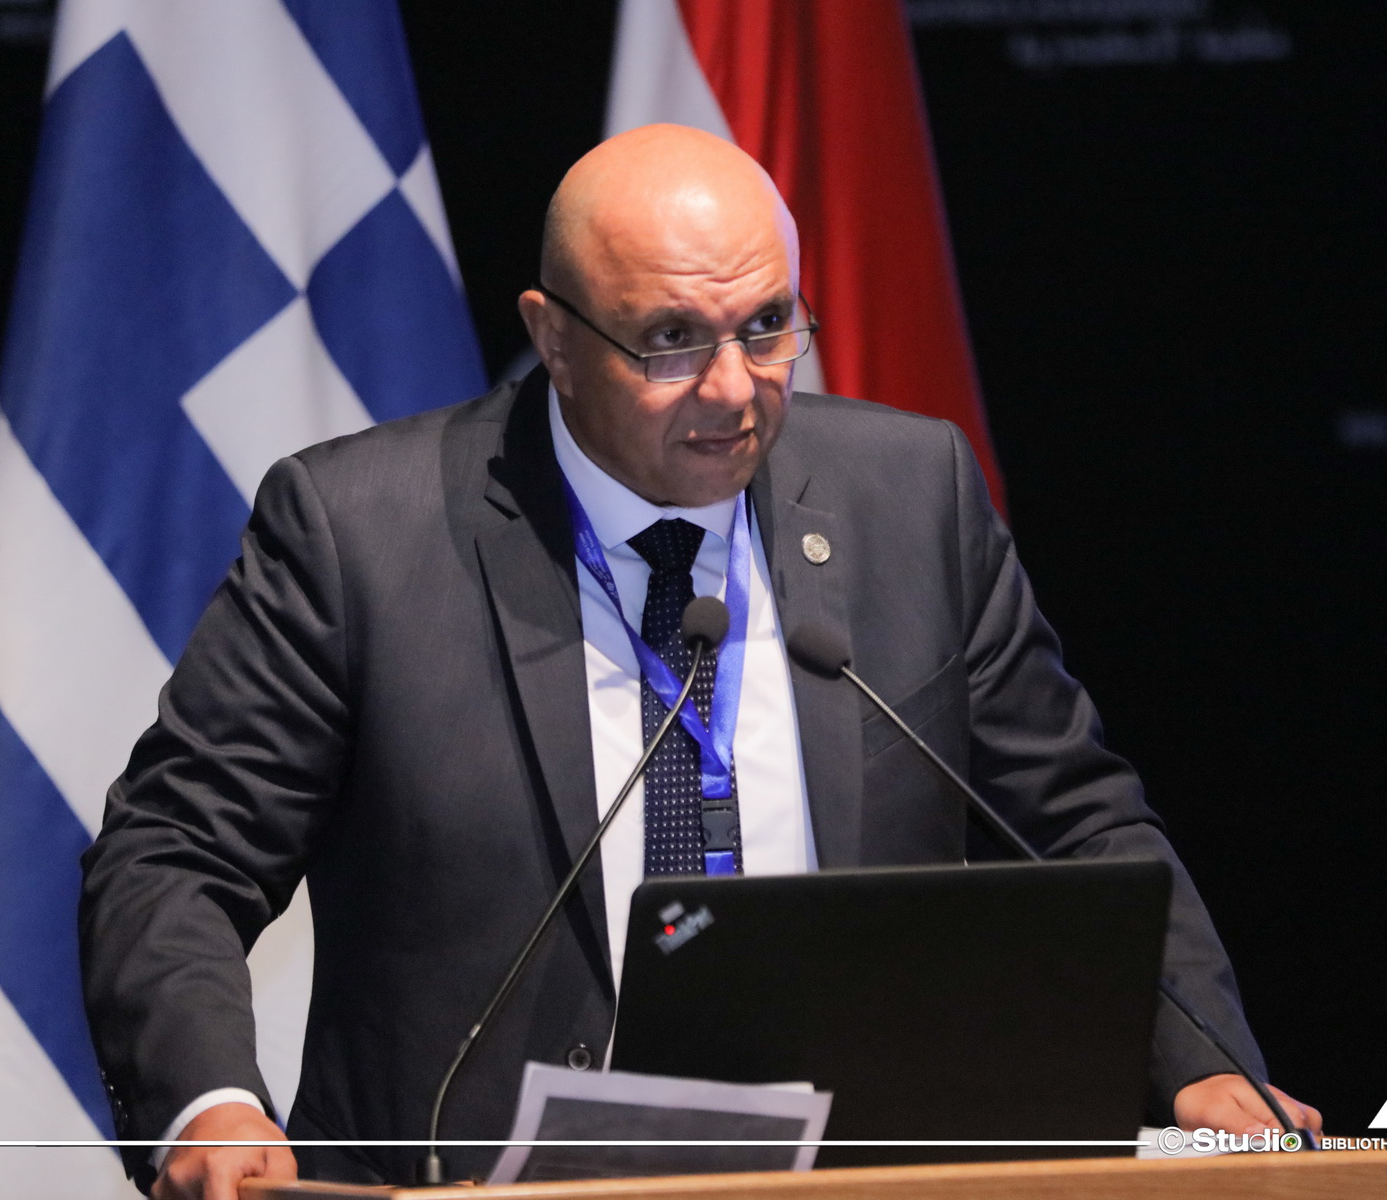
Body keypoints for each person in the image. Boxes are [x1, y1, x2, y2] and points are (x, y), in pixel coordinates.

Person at [79, 124, 1321, 1200]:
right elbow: (175, 851)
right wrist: (210, 1104)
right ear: (553, 337)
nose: (734, 390)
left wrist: (1203, 1063)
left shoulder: (910, 499)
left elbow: (1076, 824)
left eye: (768, 326)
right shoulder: (362, 532)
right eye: (671, 340)